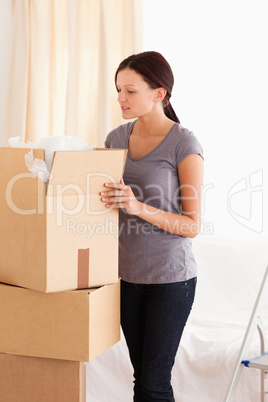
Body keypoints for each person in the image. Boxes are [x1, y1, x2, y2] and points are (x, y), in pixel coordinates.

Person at [100, 51, 204, 402]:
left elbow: (192, 225)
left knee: (155, 383)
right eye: (118, 90)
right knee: (140, 380)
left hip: (171, 281)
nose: (120, 99)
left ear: (158, 93)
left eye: (130, 91)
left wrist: (136, 206)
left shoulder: (184, 144)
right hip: (127, 278)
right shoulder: (115, 139)